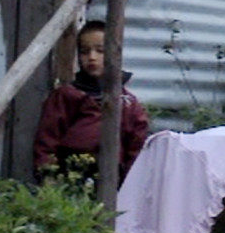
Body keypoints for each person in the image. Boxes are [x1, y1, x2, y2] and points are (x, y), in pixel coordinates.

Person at [33, 20, 150, 185]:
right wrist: (48, 178)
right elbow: (46, 142)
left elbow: (136, 149)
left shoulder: (127, 103)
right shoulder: (66, 96)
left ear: (115, 53)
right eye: (84, 52)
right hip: (70, 178)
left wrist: (129, 186)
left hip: (111, 181)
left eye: (100, 51)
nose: (92, 57)